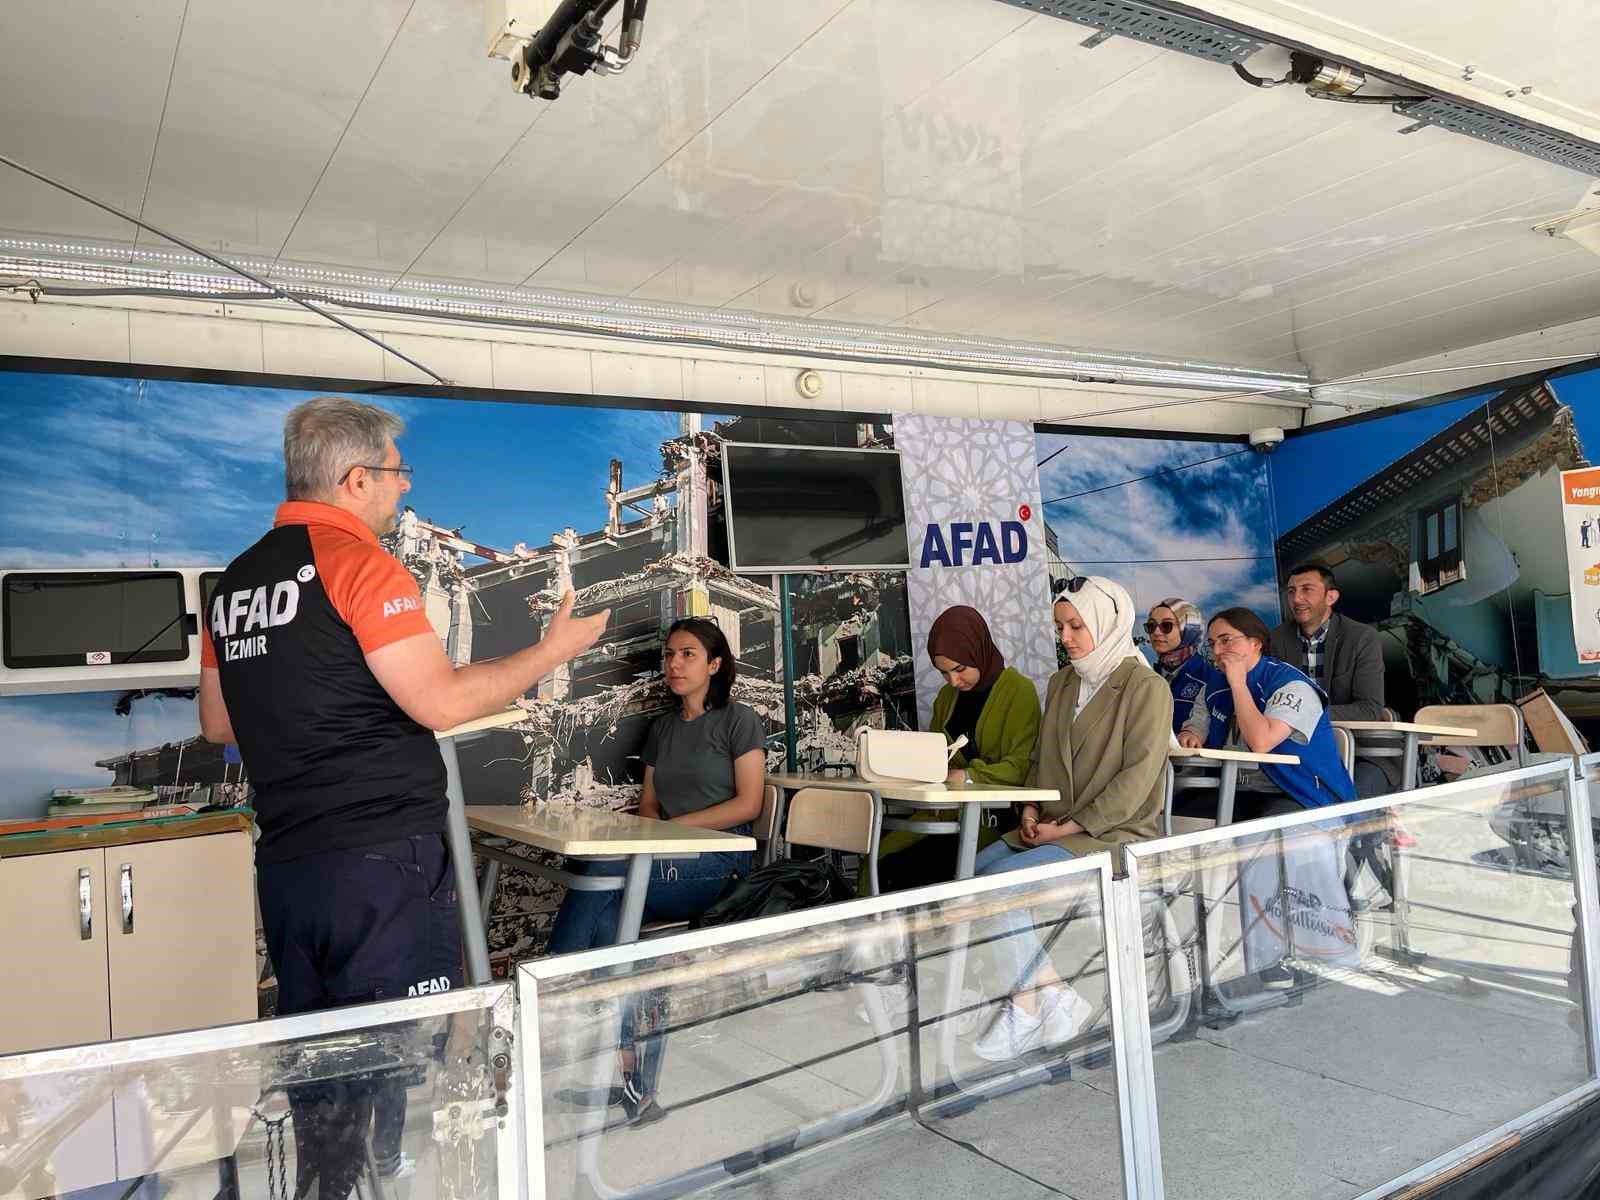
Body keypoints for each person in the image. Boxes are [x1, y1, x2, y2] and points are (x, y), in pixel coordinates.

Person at [198, 397, 609, 1200]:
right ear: (356, 478)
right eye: (396, 475)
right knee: (388, 1049)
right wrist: (551, 650)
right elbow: (444, 704)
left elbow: (219, 721)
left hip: (289, 863)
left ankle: (328, 1183)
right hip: (382, 861)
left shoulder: (237, 581)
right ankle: (374, 1178)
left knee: (319, 1052)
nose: (400, 493)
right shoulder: (359, 563)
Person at [548, 617, 764, 1123]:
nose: (673, 664)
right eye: (669, 655)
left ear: (715, 664)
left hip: (719, 862)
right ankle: (634, 1086)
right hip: (665, 858)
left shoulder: (739, 719)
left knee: (603, 886)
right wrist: (655, 838)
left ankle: (550, 993)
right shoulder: (663, 728)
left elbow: (748, 804)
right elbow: (648, 806)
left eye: (687, 654)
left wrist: (675, 833)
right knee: (609, 923)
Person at [970, 576, 1173, 1062]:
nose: (1065, 637)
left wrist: (1068, 826)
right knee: (975, 874)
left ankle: (1026, 1005)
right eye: (1060, 626)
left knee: (1000, 887)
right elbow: (1041, 756)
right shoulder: (1062, 682)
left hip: (1112, 834)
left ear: (1107, 623)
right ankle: (1055, 992)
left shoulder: (1146, 687)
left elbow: (1137, 781)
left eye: (1076, 625)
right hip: (1057, 826)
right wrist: (1032, 808)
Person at [1179, 608, 1360, 988]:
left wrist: (1239, 683)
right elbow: (1199, 716)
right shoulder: (1213, 681)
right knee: (1177, 819)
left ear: (1255, 643)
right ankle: (1204, 946)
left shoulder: (1291, 686)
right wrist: (1192, 733)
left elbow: (1261, 741)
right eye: (1213, 643)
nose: (1218, 650)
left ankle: (1292, 957)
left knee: (1263, 841)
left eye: (1227, 640)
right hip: (1243, 789)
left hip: (1304, 794)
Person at [875, 605, 1041, 891]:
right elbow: (933, 755)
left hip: (994, 823)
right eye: (944, 673)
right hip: (945, 818)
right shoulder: (946, 698)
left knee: (903, 870)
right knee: (879, 859)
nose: (953, 680)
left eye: (960, 669)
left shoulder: (1019, 691)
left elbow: (1023, 766)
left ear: (978, 650)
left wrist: (968, 776)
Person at [1267, 561, 1392, 797]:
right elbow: (1272, 706)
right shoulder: (1276, 639)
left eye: (1307, 590)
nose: (1296, 599)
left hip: (1360, 753)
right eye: (1292, 591)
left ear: (1331, 597)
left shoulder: (1362, 638)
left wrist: (1305, 714)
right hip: (1297, 755)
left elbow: (1370, 708)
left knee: (1347, 808)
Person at [1146, 597, 1210, 741]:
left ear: (1189, 630)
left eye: (1166, 626)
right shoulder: (1146, 676)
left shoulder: (1208, 678)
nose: (1156, 632)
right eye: (1151, 626)